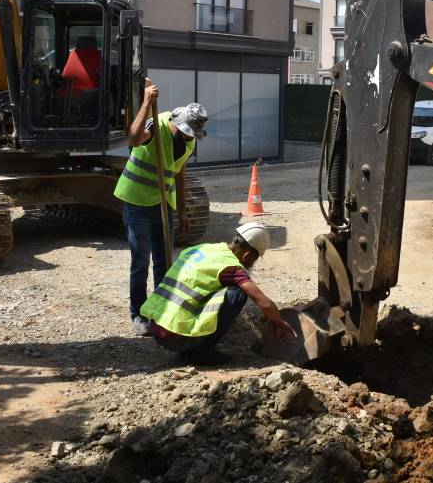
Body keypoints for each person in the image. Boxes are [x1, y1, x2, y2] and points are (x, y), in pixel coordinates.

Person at [114, 82, 209, 335]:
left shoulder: (189, 140)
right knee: (141, 261)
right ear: (177, 122)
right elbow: (134, 140)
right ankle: (138, 313)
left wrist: (182, 207)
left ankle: (161, 309)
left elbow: (179, 171)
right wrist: (146, 102)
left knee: (165, 262)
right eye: (186, 132)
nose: (189, 137)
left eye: (193, 135)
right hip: (137, 201)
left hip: (163, 204)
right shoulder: (156, 124)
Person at [141, 222, 298, 356]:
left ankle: (193, 342)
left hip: (156, 327)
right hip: (174, 337)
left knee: (220, 288)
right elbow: (263, 302)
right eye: (253, 261)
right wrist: (279, 323)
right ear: (248, 256)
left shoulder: (205, 248)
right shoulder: (232, 268)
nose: (251, 265)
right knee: (238, 293)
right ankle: (200, 353)